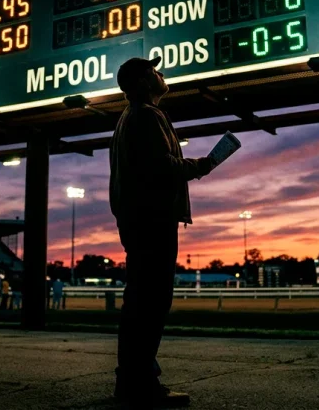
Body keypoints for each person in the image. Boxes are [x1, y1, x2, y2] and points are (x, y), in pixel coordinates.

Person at [109, 56, 217, 407]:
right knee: (152, 303)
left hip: (138, 218)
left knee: (140, 301)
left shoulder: (129, 118)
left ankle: (131, 382)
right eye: (155, 71)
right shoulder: (146, 115)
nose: (162, 75)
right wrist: (203, 165)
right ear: (142, 83)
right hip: (152, 219)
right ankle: (141, 386)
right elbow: (161, 167)